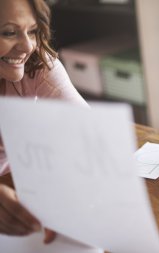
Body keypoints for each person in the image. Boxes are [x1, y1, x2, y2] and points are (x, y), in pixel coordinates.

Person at [0, 0, 87, 242]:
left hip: (18, 183)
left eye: (33, 31)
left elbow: (87, 129)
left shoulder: (37, 63)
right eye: (8, 32)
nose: (27, 46)